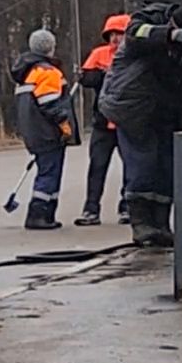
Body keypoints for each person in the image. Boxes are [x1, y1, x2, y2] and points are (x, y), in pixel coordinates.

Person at [97, 3, 182, 248]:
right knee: (143, 163)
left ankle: (160, 225)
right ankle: (142, 225)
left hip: (167, 109)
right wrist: (171, 35)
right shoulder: (148, 20)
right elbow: (135, 35)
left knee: (166, 167)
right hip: (132, 106)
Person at [10, 28, 75, 231]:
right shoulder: (47, 72)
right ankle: (38, 215)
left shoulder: (27, 73)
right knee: (49, 173)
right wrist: (64, 124)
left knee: (48, 171)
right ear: (50, 47)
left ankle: (48, 215)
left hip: (34, 132)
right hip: (48, 133)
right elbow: (50, 104)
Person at [76, 13, 132, 226]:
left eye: (120, 34)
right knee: (97, 166)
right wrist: (103, 75)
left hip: (127, 122)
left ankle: (127, 207)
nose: (115, 38)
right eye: (112, 34)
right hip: (103, 121)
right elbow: (86, 78)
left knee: (131, 166)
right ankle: (91, 209)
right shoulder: (99, 53)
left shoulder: (134, 57)